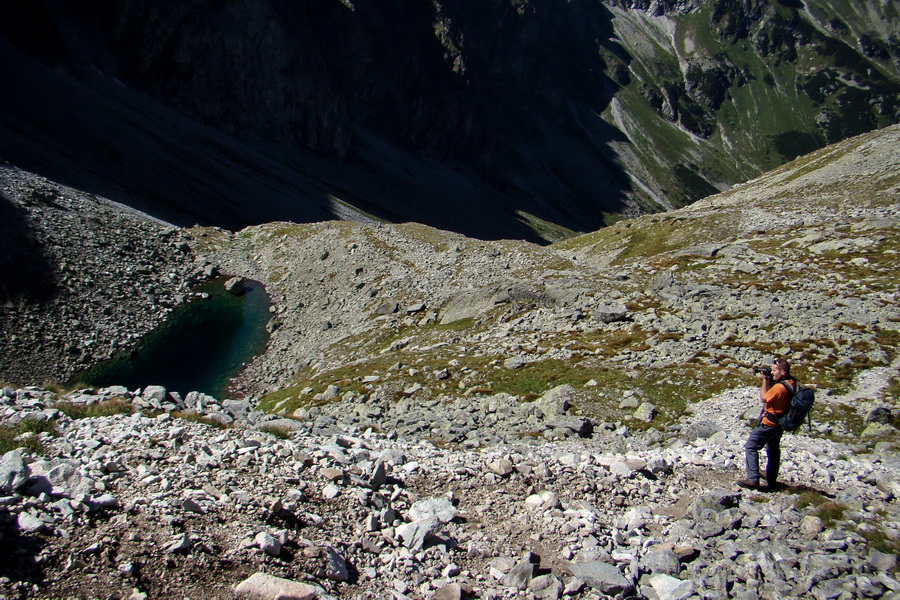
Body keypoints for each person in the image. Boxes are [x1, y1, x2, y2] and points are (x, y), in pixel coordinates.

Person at [737, 357, 796, 490]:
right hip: (779, 423)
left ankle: (753, 479)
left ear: (783, 372)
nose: (772, 373)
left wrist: (764, 380)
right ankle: (771, 478)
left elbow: (764, 398)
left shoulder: (780, 387)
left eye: (775, 371)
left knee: (751, 446)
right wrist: (769, 379)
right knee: (773, 449)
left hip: (768, 423)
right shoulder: (791, 382)